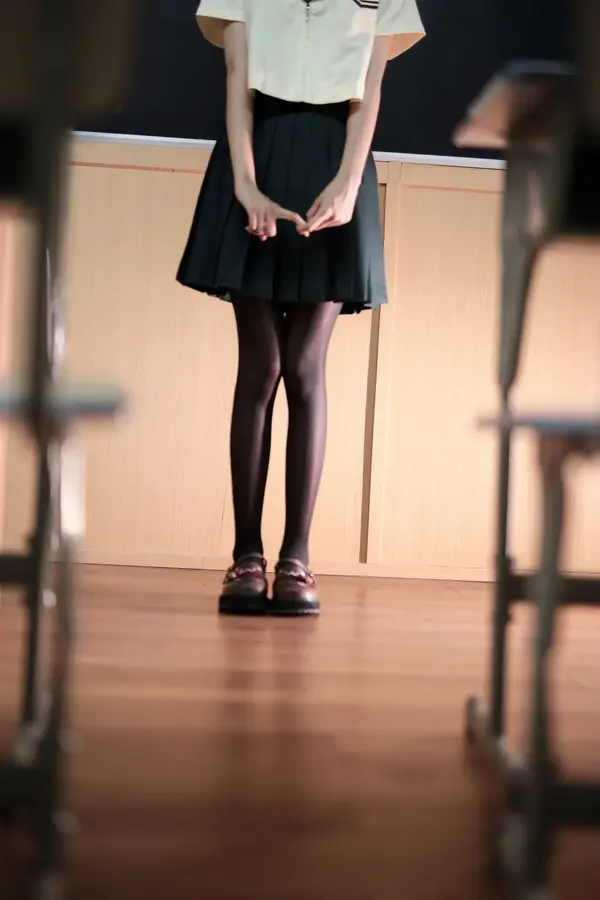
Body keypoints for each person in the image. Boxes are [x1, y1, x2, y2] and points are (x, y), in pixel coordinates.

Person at [177, 0, 425, 618]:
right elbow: (238, 85)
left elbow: (368, 92)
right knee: (260, 367)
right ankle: (245, 557)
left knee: (306, 370)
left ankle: (297, 559)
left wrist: (349, 183)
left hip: (337, 166)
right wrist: (245, 186)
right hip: (254, 159)